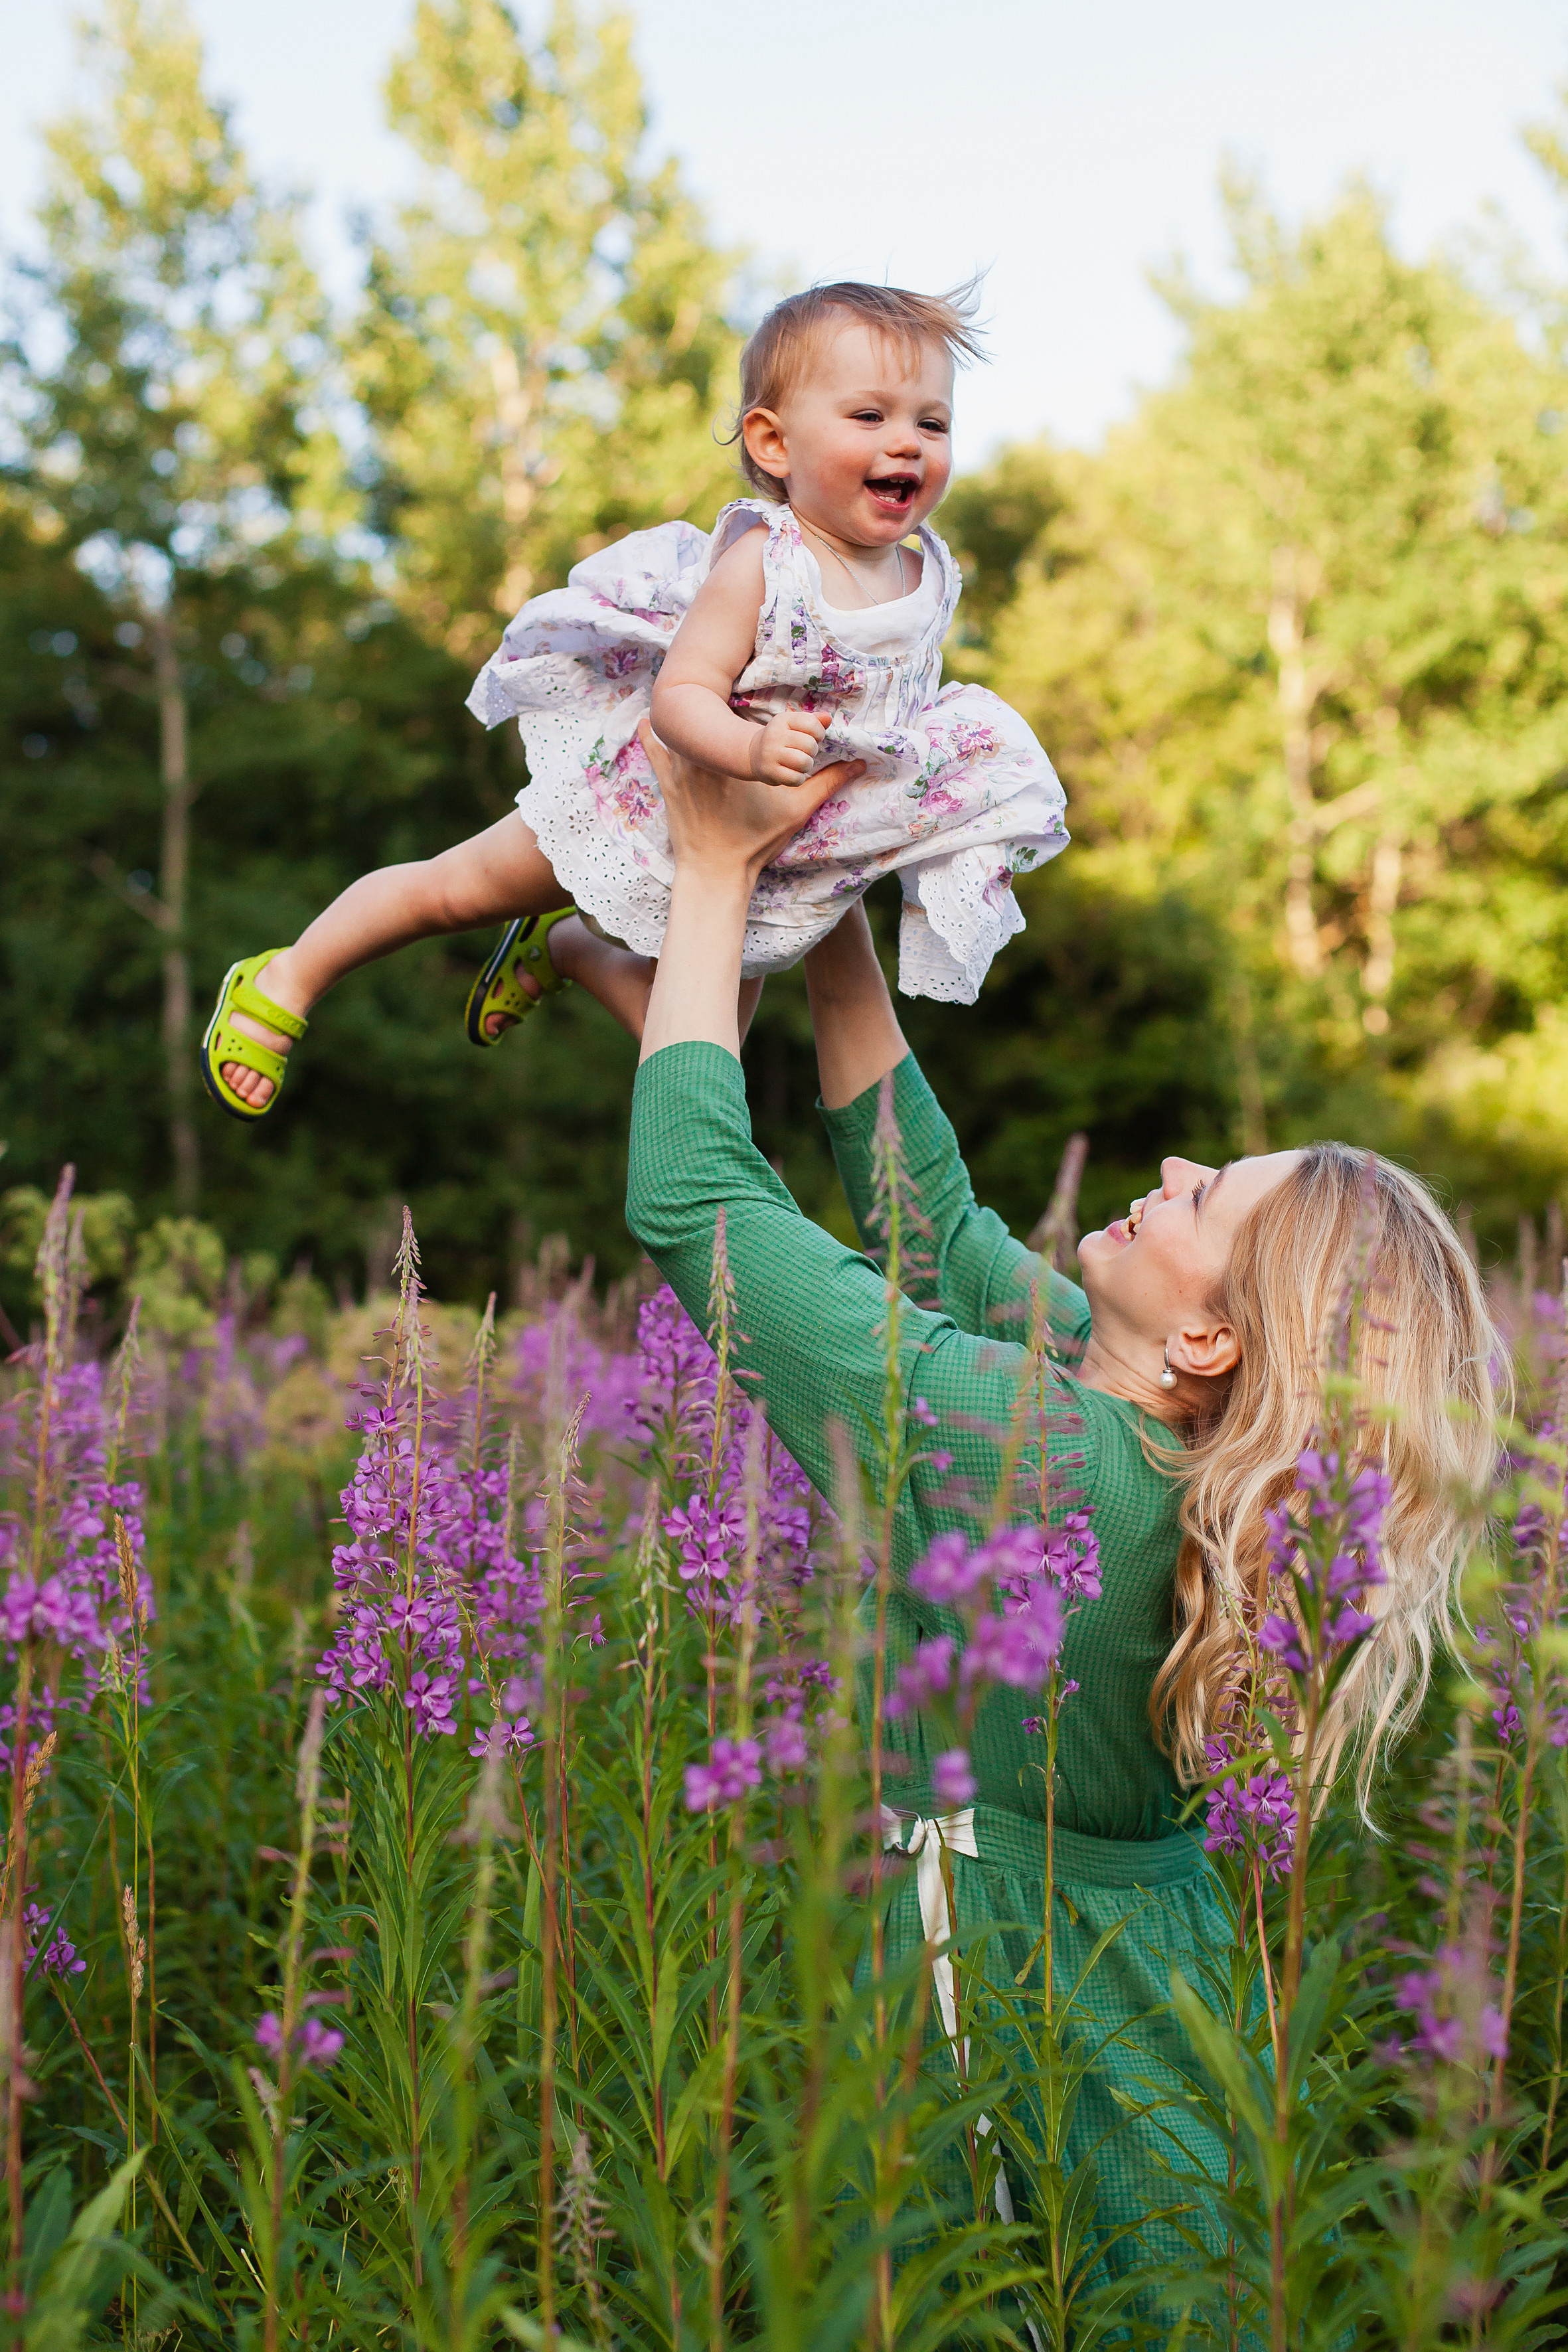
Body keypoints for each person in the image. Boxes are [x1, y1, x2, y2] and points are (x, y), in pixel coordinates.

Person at [536, 724, 1500, 2302]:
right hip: (1150, 1978)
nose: (1175, 1161)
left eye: (1206, 1197)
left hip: (987, 1982)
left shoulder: (1031, 1443)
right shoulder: (1129, 1434)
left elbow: (700, 1213)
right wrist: (831, 898)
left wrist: (716, 868)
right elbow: (942, 1233)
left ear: (1207, 1342)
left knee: (981, 2297)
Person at [198, 281, 1067, 1122]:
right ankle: (288, 976)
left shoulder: (928, 574)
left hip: (769, 854)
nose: (907, 443)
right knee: (455, 889)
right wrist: (752, 751)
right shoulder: (766, 565)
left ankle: (572, 951)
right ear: (772, 443)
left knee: (700, 1051)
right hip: (649, 805)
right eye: (869, 417)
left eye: (932, 421)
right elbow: (680, 699)